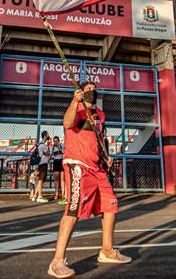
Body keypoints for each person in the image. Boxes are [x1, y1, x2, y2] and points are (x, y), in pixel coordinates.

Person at [48, 81, 131, 278]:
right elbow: (67, 124)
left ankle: (107, 251)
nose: (91, 91)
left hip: (97, 167)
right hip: (78, 164)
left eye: (94, 89)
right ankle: (57, 262)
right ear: (80, 93)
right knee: (74, 208)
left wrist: (106, 157)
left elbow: (100, 140)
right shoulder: (76, 108)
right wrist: (74, 101)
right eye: (87, 89)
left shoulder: (100, 115)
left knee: (111, 204)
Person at [33, 131, 51, 203]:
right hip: (43, 164)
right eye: (47, 135)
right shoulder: (43, 145)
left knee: (40, 180)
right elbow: (48, 153)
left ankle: (35, 195)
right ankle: (39, 196)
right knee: (40, 180)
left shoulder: (39, 144)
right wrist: (48, 146)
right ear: (45, 136)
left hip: (39, 163)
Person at [52, 136, 65, 202]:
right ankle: (56, 193)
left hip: (61, 161)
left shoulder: (62, 145)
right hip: (56, 162)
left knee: (62, 179)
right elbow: (51, 155)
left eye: (56, 141)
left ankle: (63, 194)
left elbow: (64, 152)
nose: (55, 142)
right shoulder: (52, 147)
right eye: (54, 141)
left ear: (59, 141)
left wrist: (60, 147)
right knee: (56, 179)